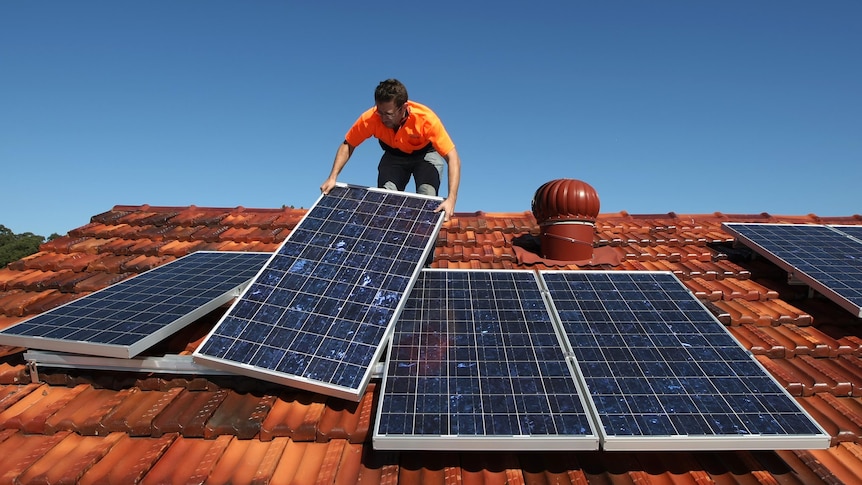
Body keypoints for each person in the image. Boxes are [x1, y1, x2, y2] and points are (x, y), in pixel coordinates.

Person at [320, 79, 461, 221]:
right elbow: (348, 144)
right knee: (386, 200)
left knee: (427, 199)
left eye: (388, 114)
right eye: (379, 112)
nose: (382, 118)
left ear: (403, 107)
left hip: (425, 155)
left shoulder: (426, 120)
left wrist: (451, 199)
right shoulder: (371, 118)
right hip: (394, 156)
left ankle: (426, 240)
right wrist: (332, 177)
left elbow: (453, 157)